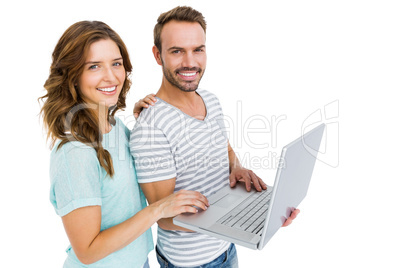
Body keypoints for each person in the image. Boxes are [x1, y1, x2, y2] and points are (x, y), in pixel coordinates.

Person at [130, 6, 300, 268]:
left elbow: (225, 149)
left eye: (198, 49)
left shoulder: (211, 100)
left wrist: (238, 169)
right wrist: (239, 219)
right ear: (157, 55)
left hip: (226, 249)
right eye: (177, 51)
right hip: (191, 263)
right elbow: (162, 217)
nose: (190, 62)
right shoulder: (151, 127)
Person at [39, 20, 210, 268]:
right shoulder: (75, 152)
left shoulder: (116, 127)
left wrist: (147, 120)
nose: (111, 76)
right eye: (94, 66)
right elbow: (87, 251)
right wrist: (158, 210)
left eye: (116, 64)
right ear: (72, 76)